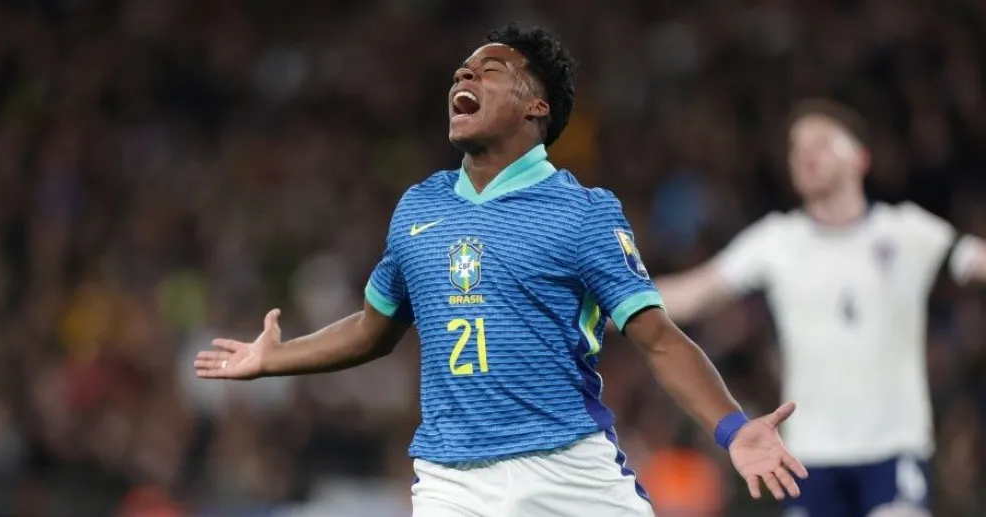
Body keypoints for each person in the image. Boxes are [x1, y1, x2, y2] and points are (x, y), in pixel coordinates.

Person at [194, 24, 807, 517]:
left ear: (536, 105)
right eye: (462, 70)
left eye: (489, 70)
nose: (464, 75)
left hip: (568, 470)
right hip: (451, 479)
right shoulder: (418, 207)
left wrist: (732, 430)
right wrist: (276, 358)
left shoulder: (583, 213)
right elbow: (371, 330)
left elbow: (659, 338)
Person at [655, 98, 986, 517]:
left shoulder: (907, 231)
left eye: (823, 142)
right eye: (797, 147)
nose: (806, 154)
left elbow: (977, 261)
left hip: (893, 449)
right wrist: (610, 299)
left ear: (861, 158)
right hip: (809, 456)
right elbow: (695, 293)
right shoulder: (776, 241)